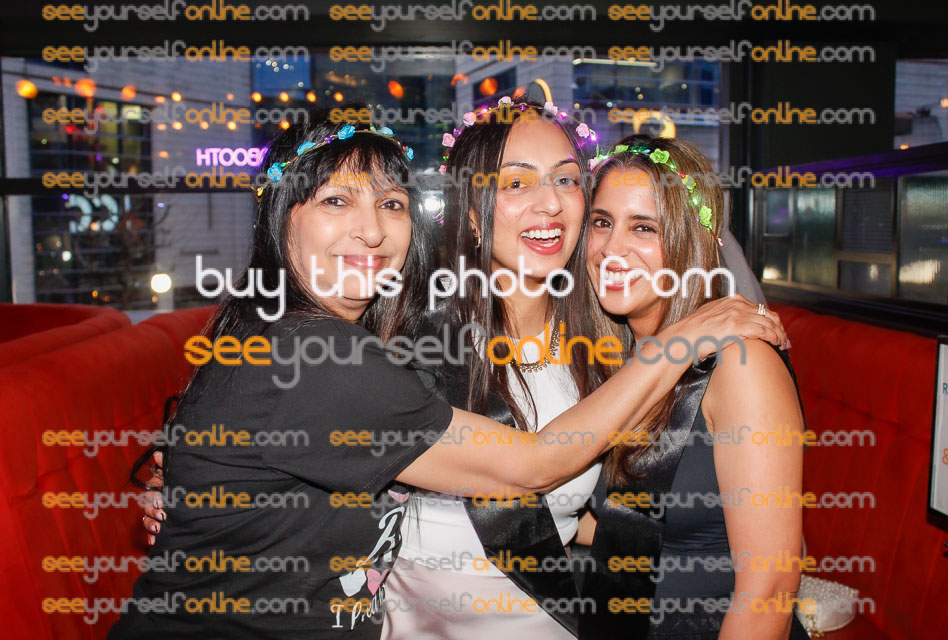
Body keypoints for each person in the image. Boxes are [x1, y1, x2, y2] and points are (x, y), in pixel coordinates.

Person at [118, 113, 784, 640]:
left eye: (567, 181)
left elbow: (624, 512)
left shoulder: (609, 348)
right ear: (469, 211)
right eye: (515, 183)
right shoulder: (397, 334)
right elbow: (529, 464)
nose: (549, 204)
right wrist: (185, 474)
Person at [577, 135, 807, 640]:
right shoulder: (614, 358)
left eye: (644, 227)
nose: (612, 249)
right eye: (602, 222)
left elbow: (769, 590)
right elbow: (623, 524)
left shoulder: (741, 364)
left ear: (693, 242)